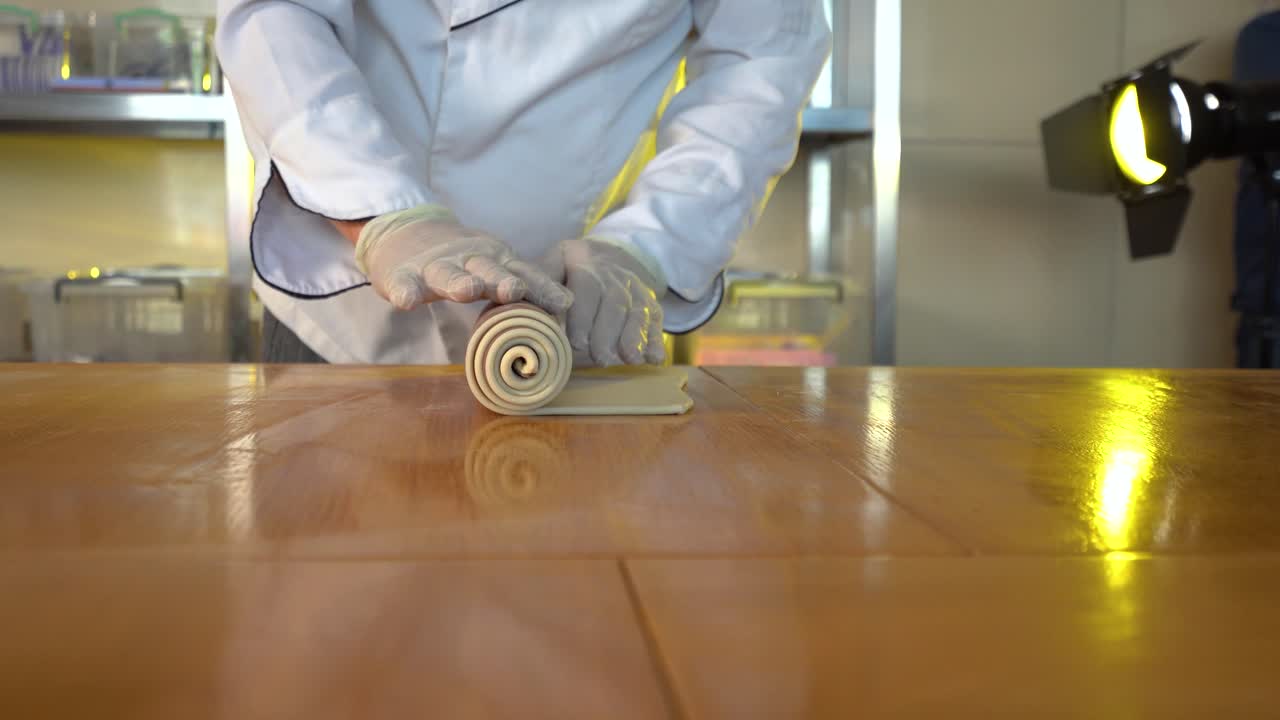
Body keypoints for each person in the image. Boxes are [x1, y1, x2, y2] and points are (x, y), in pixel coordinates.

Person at [216, 0, 832, 365]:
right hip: (340, 310)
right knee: (336, 578)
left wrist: (646, 247)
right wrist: (382, 212)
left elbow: (763, 60)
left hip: (577, 317)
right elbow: (276, 17)